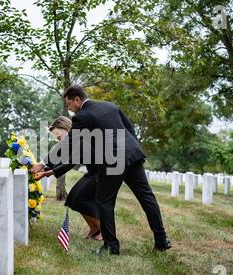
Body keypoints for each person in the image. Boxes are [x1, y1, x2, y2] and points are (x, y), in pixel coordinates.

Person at [32, 85, 172, 255]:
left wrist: (44, 163)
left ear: (77, 99)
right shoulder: (110, 106)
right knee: (147, 197)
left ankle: (111, 246)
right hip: (132, 154)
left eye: (69, 105)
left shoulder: (81, 116)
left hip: (112, 159)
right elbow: (129, 129)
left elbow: (69, 144)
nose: (69, 109)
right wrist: (132, 150)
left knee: (104, 201)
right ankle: (161, 240)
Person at [38, 116, 102, 241]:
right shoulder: (71, 141)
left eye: (58, 135)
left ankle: (102, 230)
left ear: (65, 128)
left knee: (80, 197)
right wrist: (42, 169)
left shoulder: (80, 137)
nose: (58, 139)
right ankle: (95, 228)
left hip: (103, 171)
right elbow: (59, 159)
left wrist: (49, 173)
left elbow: (70, 163)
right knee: (73, 198)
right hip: (93, 171)